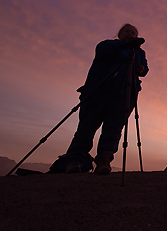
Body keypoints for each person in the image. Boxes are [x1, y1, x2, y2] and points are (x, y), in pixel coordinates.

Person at [51, 24, 149, 175]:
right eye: (127, 32)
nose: (130, 34)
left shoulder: (139, 52)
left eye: (133, 33)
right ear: (120, 34)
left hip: (123, 96)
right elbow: (102, 52)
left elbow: (144, 69)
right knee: (87, 127)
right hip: (98, 92)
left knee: (113, 129)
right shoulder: (107, 45)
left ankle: (104, 161)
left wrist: (140, 68)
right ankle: (74, 161)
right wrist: (124, 45)